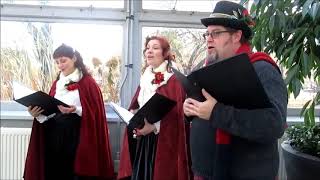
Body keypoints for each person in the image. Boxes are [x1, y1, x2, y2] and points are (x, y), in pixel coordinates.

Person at [183, 1, 288, 180]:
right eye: (207, 34)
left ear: (237, 35)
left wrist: (216, 112)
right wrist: (191, 109)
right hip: (206, 173)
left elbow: (274, 124)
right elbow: (206, 112)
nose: (208, 38)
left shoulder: (263, 69)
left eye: (215, 33)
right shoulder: (207, 70)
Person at [24, 44, 114, 180]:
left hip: (77, 135)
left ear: (74, 58)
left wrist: (76, 109)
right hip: (54, 135)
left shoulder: (88, 82)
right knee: (55, 172)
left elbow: (96, 114)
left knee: (73, 174)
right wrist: (38, 115)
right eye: (57, 62)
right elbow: (50, 111)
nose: (60, 65)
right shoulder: (56, 83)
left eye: (63, 60)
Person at [117, 36, 192, 180]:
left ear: (165, 53)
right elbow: (138, 104)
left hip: (163, 143)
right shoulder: (145, 77)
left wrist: (154, 127)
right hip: (144, 140)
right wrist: (134, 113)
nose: (149, 51)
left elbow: (178, 117)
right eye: (147, 48)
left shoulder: (173, 79)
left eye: (155, 48)